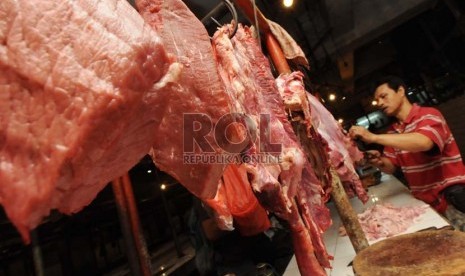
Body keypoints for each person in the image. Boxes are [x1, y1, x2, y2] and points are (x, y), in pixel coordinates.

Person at [348, 75, 465, 229]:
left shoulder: (429, 115)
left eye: (384, 96)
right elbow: (391, 167)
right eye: (378, 100)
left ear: (401, 91)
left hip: (451, 201)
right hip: (427, 204)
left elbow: (424, 142)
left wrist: (373, 137)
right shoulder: (393, 132)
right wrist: (379, 161)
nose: (380, 103)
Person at [187, 197, 294, 276]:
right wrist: (243, 215)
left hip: (258, 243)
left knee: (288, 248)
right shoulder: (208, 186)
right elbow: (210, 232)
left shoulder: (248, 171)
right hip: (231, 257)